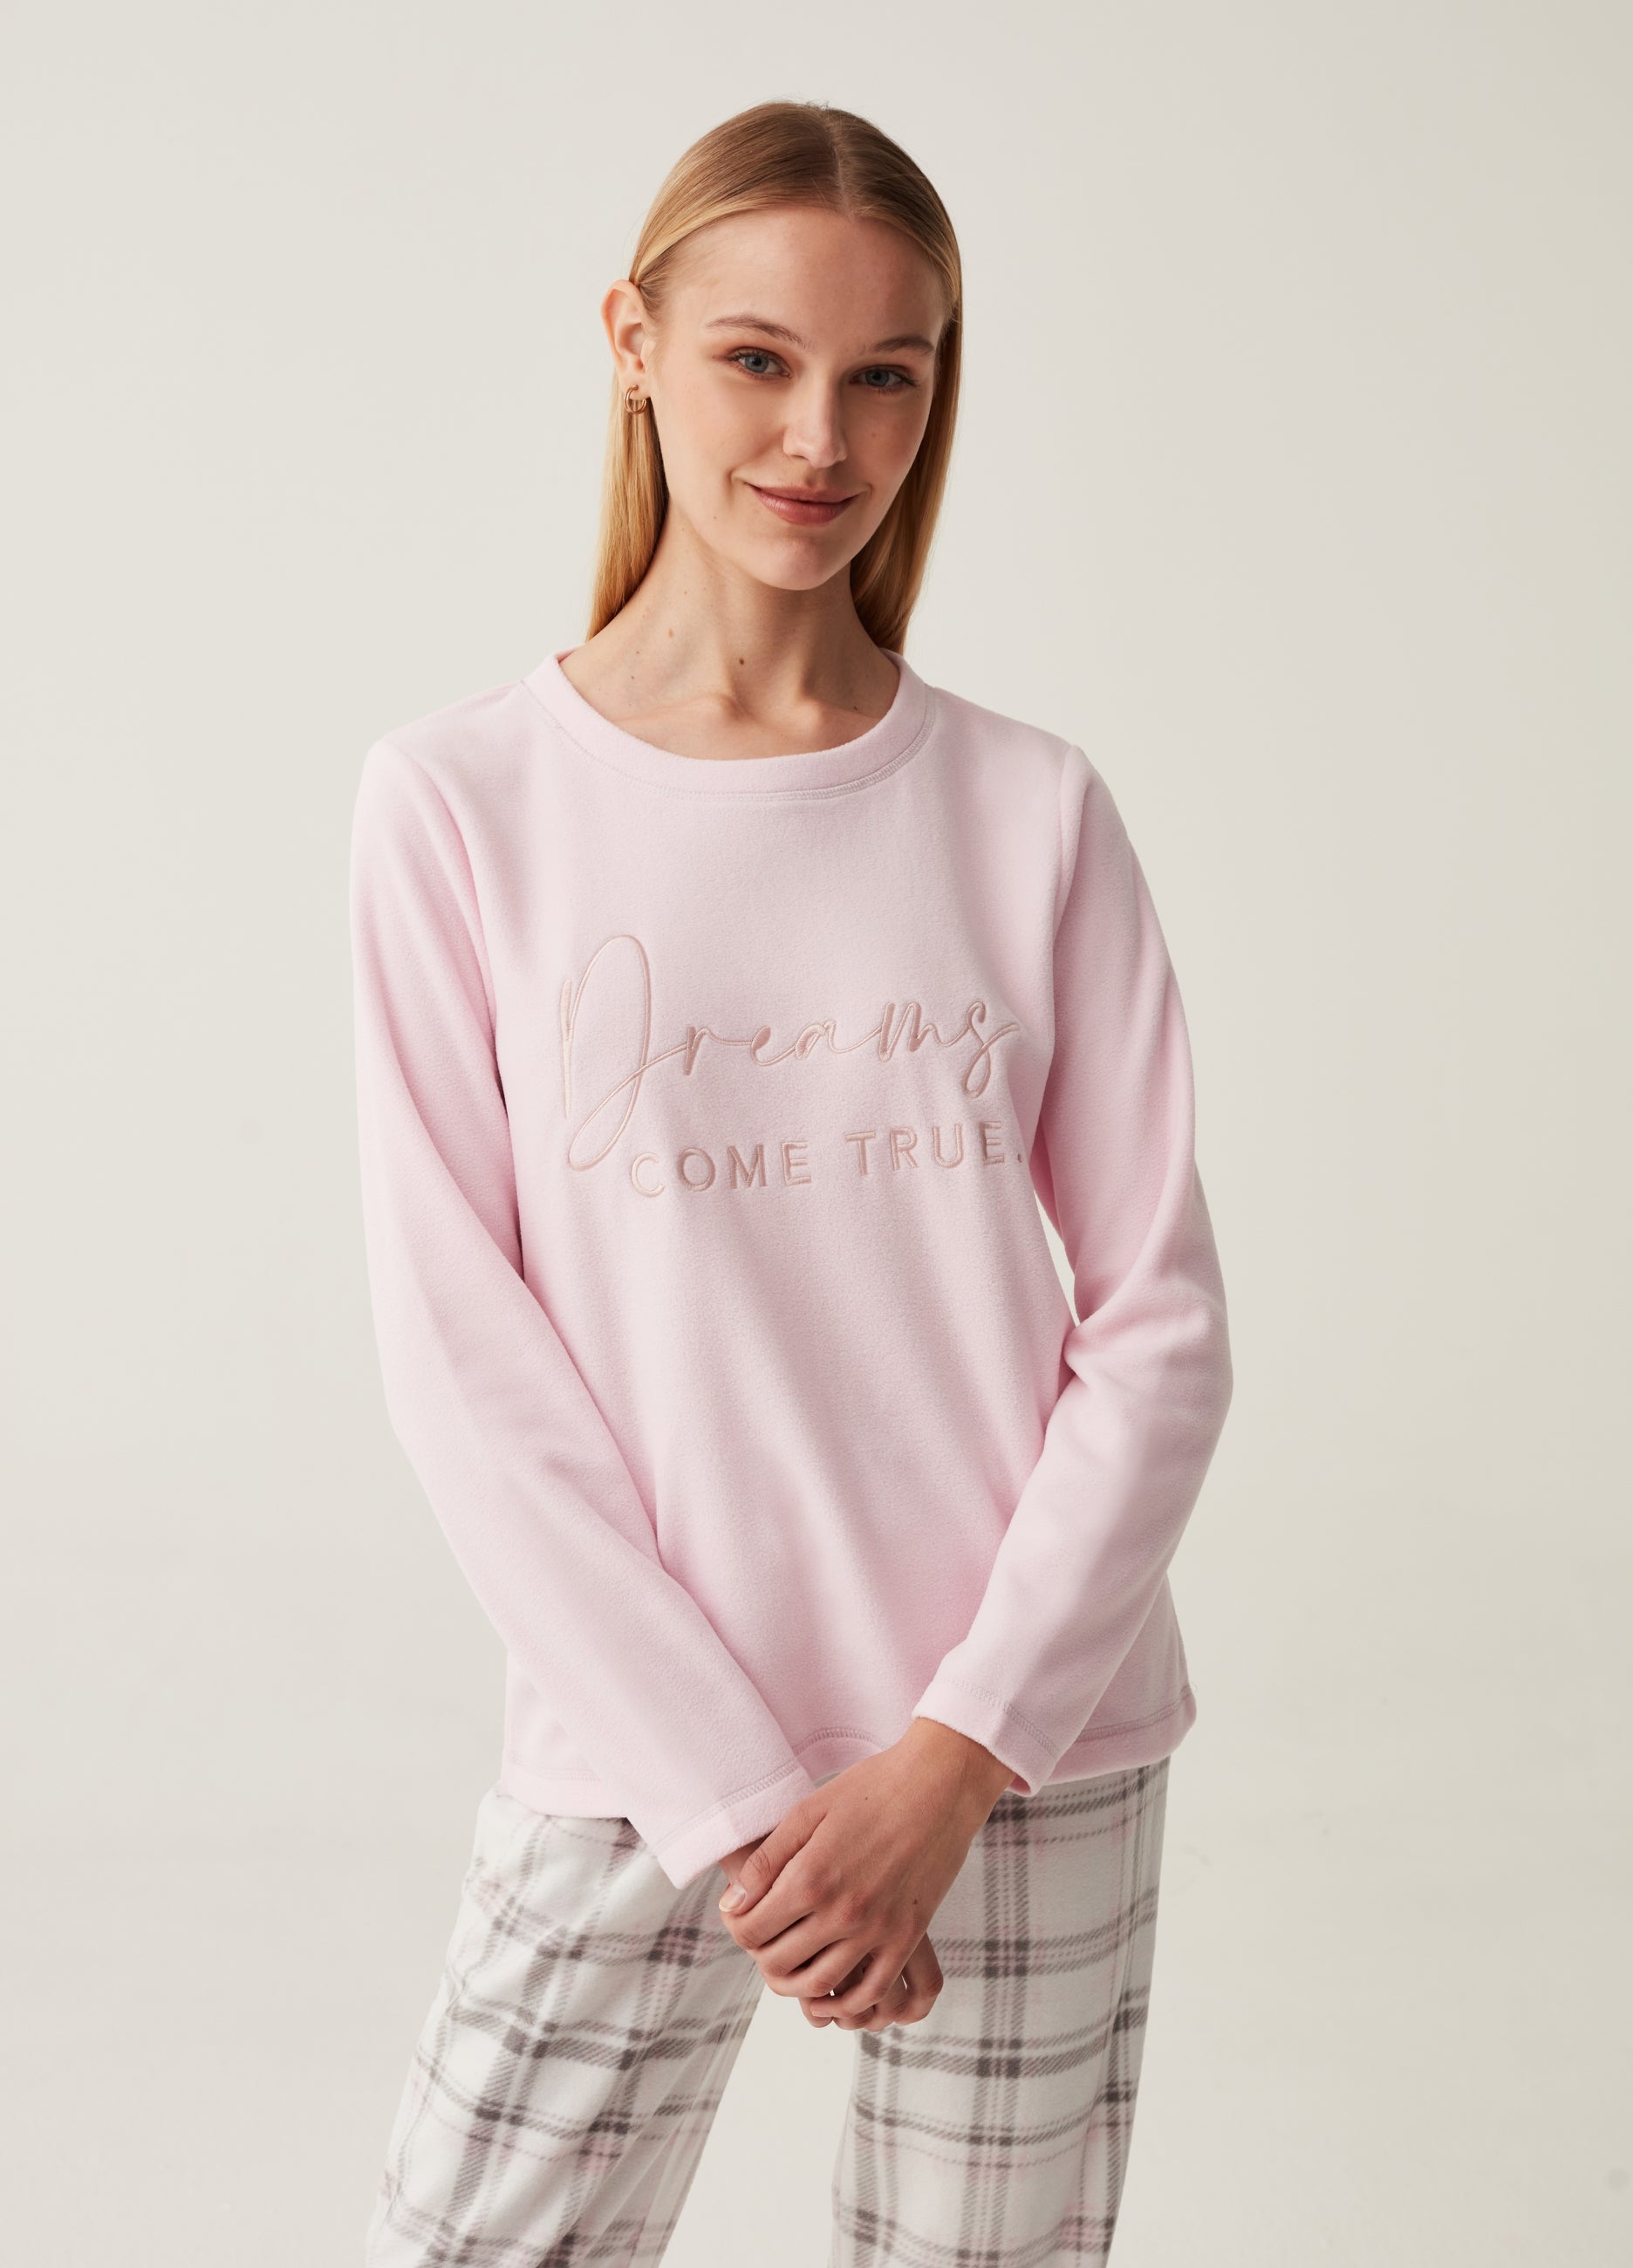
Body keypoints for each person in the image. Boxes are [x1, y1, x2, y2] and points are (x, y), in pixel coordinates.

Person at [350, 97, 1233, 2268]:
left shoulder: (1029, 809)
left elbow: (1161, 1326)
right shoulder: (461, 806)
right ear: (633, 343)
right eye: (757, 358)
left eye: (885, 376)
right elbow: (464, 1358)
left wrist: (955, 1755)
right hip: (647, 1747)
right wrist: (744, 1802)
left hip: (1025, 1741)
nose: (822, 439)